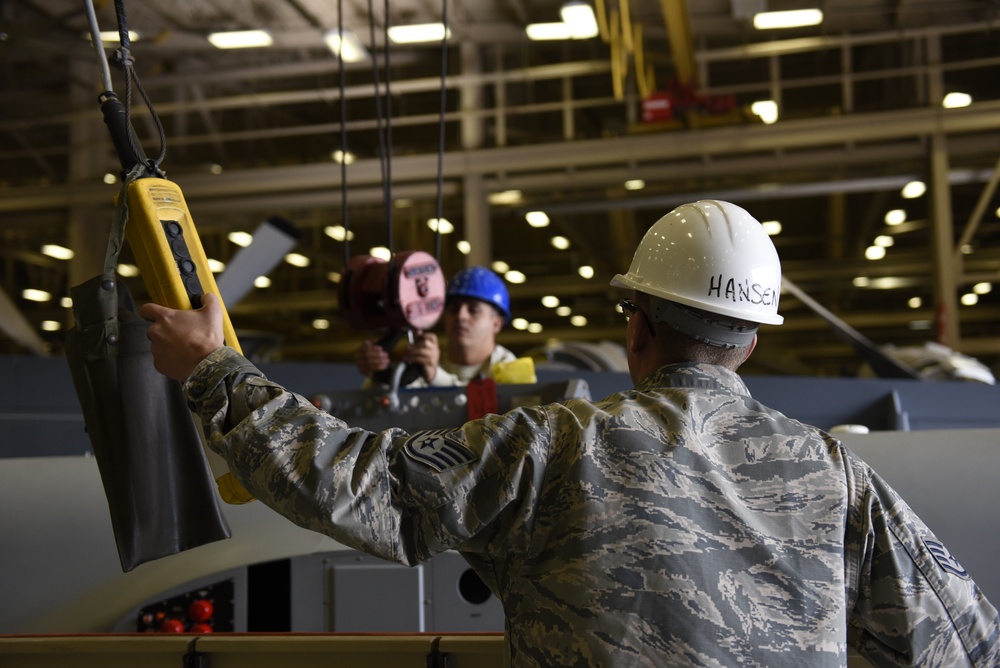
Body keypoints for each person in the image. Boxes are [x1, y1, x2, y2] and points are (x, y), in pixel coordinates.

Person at [140, 199, 999, 667]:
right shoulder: (839, 479)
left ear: (636, 329)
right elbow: (966, 645)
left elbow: (355, 482)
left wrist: (214, 367)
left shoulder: (551, 446)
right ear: (753, 338)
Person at [354, 266, 517, 387]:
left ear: (496, 324)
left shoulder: (510, 368)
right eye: (453, 309)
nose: (460, 316)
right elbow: (383, 408)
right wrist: (377, 373)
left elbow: (492, 418)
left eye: (473, 310)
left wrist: (436, 377)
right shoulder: (426, 359)